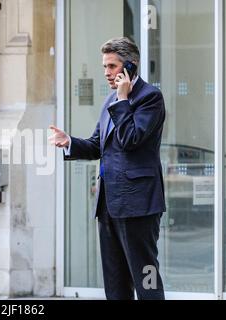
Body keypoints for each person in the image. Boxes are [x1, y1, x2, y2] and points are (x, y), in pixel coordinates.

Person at [49, 37, 166, 300]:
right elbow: (97, 145)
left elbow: (131, 139)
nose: (107, 73)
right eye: (105, 67)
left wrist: (123, 98)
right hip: (108, 205)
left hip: (139, 205)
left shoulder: (150, 98)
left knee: (146, 277)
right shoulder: (111, 101)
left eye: (112, 66)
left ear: (130, 67)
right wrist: (70, 142)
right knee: (115, 283)